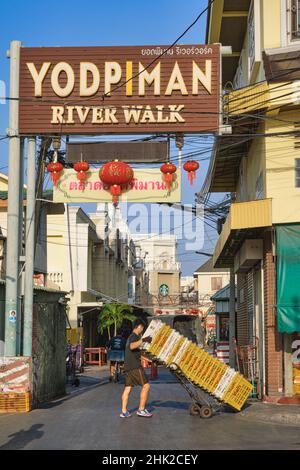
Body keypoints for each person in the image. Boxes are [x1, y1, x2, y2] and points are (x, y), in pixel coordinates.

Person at [120, 318, 152, 418]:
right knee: (146, 386)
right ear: (139, 327)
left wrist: (148, 359)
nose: (142, 330)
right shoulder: (134, 337)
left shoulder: (130, 337)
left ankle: (124, 412)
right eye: (142, 328)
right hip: (134, 366)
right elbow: (132, 346)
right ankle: (141, 410)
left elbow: (134, 353)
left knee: (128, 388)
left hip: (128, 367)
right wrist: (143, 340)